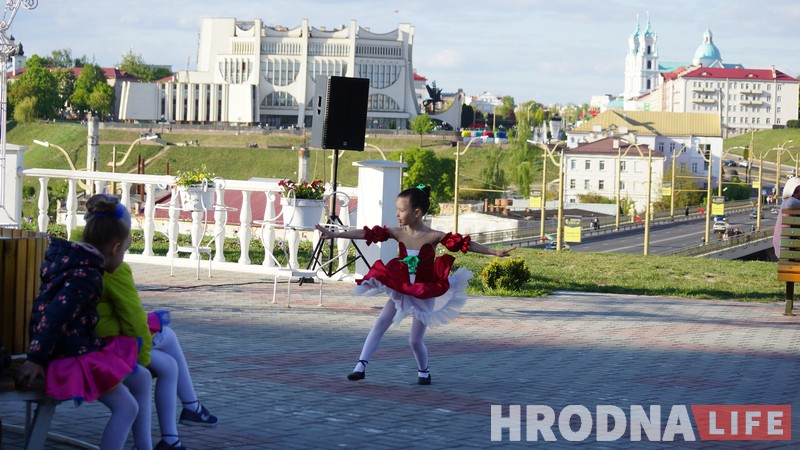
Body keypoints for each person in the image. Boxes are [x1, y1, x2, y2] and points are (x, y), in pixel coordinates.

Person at [316, 185, 516, 384]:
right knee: (381, 323)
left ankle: (424, 371)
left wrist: (494, 252)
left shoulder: (434, 236)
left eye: (401, 210)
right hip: (402, 289)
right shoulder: (398, 232)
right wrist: (335, 234)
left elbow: (465, 243)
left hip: (423, 292)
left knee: (414, 340)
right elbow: (366, 234)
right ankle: (360, 366)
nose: (397, 214)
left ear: (417, 212)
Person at [17, 194, 152, 450]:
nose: (122, 256)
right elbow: (55, 316)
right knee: (126, 407)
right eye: (123, 250)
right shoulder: (86, 276)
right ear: (114, 248)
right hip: (65, 357)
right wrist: (35, 358)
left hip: (72, 348)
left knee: (140, 378)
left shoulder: (75, 262)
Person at [97, 262, 219, 450]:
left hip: (95, 341)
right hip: (105, 347)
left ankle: (171, 438)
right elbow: (132, 317)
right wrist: (143, 354)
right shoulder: (113, 269)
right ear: (114, 248)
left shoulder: (76, 261)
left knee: (168, 365)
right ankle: (190, 408)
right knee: (168, 336)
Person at [773, 177, 800, 258]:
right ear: (790, 191)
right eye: (796, 191)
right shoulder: (788, 201)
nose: (799, 193)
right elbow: (791, 203)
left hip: (788, 249)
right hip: (787, 250)